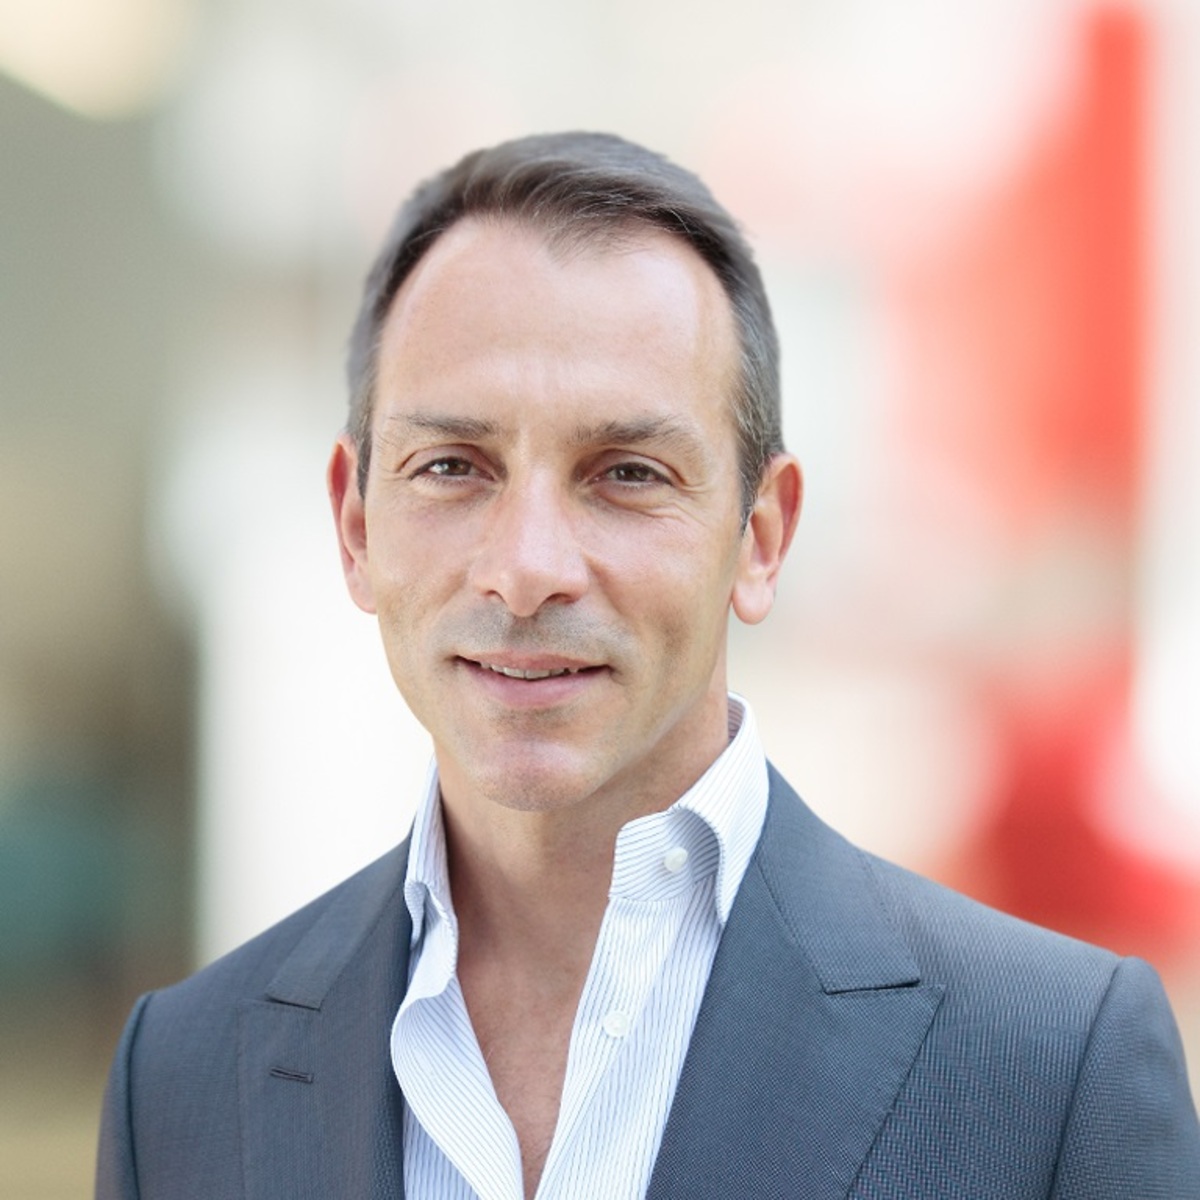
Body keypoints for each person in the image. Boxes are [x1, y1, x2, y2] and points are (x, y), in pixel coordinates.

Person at [96, 131, 1199, 1200]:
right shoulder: (178, 1083)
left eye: (625, 472)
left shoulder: (1053, 1071)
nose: (527, 570)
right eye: (452, 467)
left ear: (760, 537)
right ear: (355, 527)